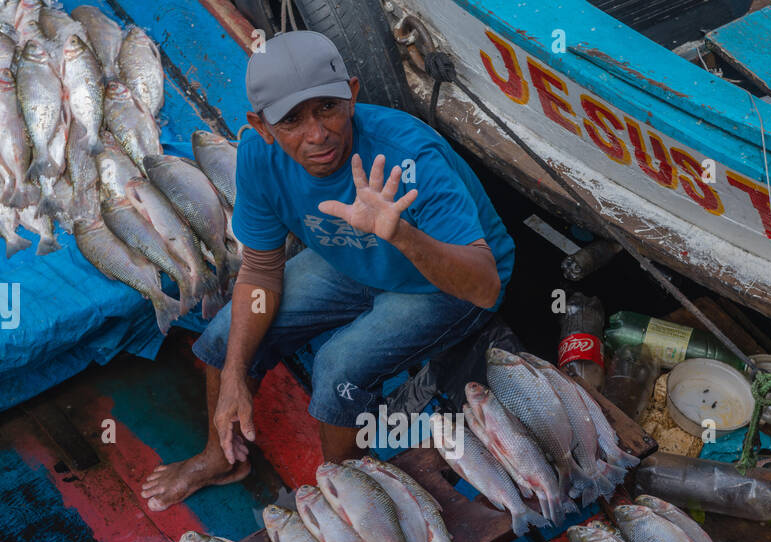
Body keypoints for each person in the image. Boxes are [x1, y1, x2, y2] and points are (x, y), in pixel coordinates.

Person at [141, 30, 515, 511]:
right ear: (262, 126)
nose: (317, 134)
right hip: (350, 258)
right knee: (223, 339)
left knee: (338, 368)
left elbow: (485, 286)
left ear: (353, 94)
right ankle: (222, 457)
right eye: (292, 120)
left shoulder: (410, 156)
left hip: (437, 280)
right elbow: (259, 270)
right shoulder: (259, 155)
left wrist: (401, 235)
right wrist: (235, 374)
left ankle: (352, 501)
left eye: (327, 108)